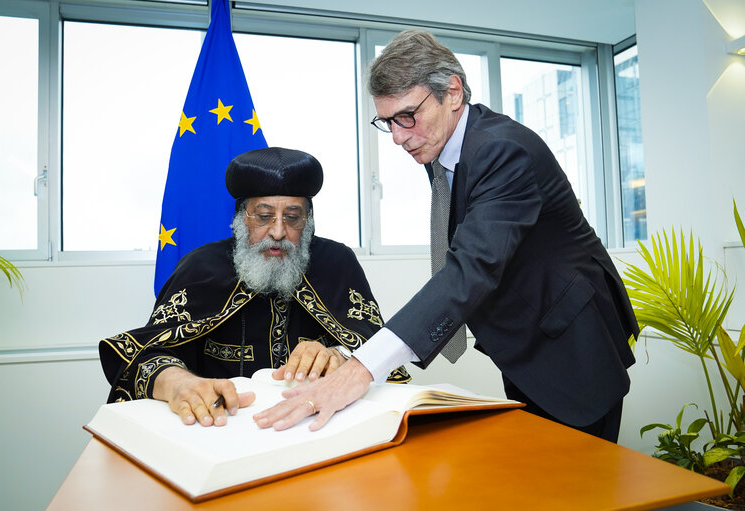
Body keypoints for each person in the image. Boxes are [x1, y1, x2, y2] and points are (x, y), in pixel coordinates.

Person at [253, 30, 638, 442]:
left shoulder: (503, 151)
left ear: (452, 92)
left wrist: (360, 370)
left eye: (407, 116)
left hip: (572, 340)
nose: (399, 137)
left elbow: (469, 269)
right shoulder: (443, 144)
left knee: (579, 483)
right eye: (388, 123)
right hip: (525, 341)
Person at [98, 147, 410, 427]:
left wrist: (340, 355)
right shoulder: (200, 266)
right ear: (241, 218)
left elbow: (379, 350)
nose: (278, 231)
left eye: (292, 218)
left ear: (309, 221)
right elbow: (146, 353)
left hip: (319, 427)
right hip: (222, 428)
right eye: (263, 217)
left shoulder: (337, 262)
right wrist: (177, 383)